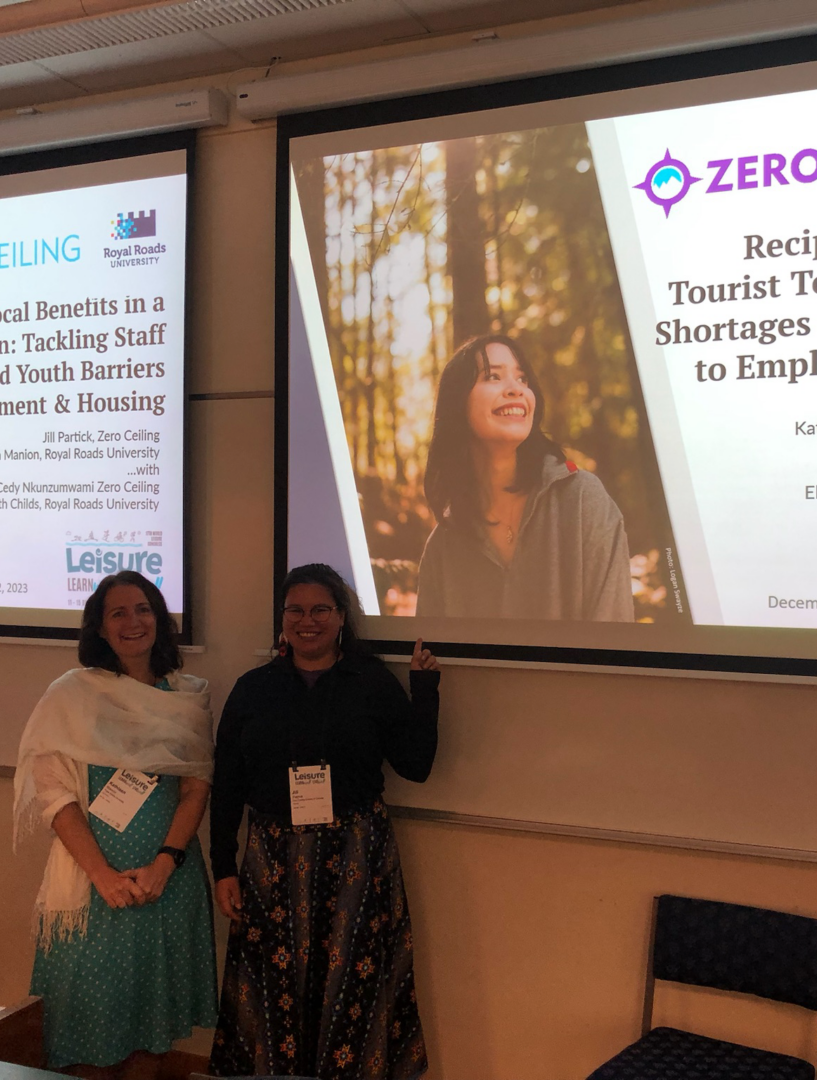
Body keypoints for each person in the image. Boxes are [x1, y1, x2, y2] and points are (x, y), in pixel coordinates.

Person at [210, 563, 440, 1080]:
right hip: (270, 861)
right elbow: (226, 785)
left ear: (341, 618)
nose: (306, 620)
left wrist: (425, 688)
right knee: (273, 991)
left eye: (320, 610)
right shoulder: (252, 689)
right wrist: (222, 866)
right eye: (296, 610)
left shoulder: (373, 683)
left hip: (356, 858)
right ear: (282, 618)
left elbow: (416, 766)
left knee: (353, 990)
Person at [13, 570, 217, 1078]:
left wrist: (164, 866)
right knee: (87, 1037)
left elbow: (196, 788)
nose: (133, 621)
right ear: (99, 629)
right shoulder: (71, 696)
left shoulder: (185, 698)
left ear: (160, 619)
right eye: (118, 613)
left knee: (154, 1031)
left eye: (144, 609)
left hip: (164, 886)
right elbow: (55, 796)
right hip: (94, 891)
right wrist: (103, 876)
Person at [416, 334, 633, 621]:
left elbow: (615, 642)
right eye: (493, 376)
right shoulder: (442, 545)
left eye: (522, 379)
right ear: (458, 403)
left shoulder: (583, 500)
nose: (516, 389)